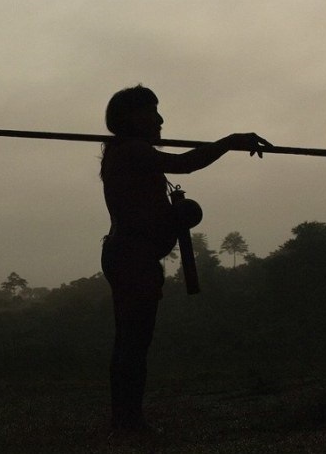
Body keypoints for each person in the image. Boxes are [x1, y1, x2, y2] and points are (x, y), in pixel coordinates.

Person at [100, 84, 270, 431]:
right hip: (131, 259)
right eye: (152, 112)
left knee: (132, 342)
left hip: (134, 258)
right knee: (133, 343)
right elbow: (185, 163)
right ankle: (127, 423)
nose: (160, 120)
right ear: (131, 118)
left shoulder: (132, 153)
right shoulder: (132, 151)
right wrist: (230, 142)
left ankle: (126, 420)